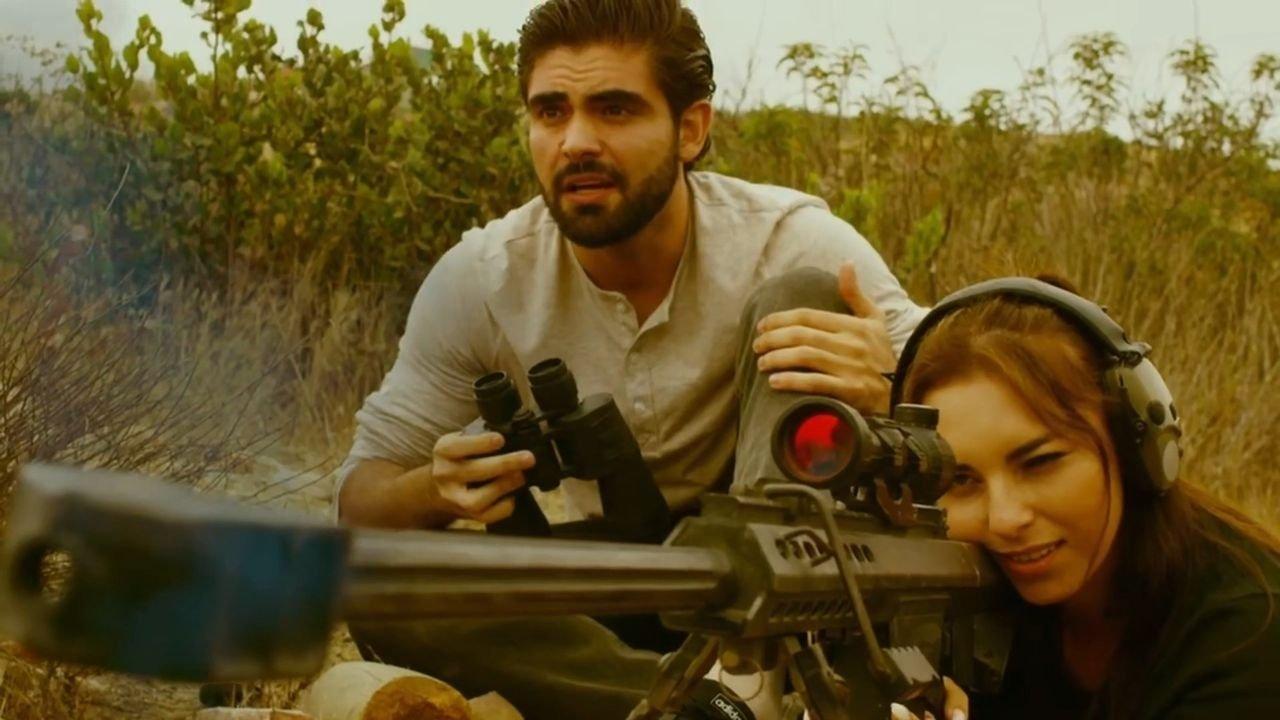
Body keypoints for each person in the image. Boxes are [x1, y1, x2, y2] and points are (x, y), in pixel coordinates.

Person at [335, 1, 925, 718]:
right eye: (551, 112)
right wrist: (436, 489)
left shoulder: (793, 241)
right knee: (379, 582)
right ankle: (704, 707)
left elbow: (980, 421)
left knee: (804, 299)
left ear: (691, 130)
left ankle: (756, 670)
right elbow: (361, 501)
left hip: (795, 584)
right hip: (603, 589)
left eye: (614, 109)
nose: (576, 142)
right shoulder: (483, 279)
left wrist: (893, 383)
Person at [890, 276, 1280, 719]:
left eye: (1041, 463)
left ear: (1133, 448)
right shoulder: (976, 602)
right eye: (961, 479)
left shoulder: (1250, 635)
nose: (1004, 519)